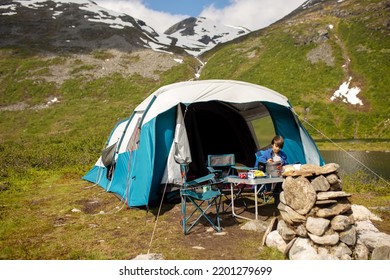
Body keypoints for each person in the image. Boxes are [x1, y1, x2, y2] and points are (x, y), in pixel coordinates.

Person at [254, 135, 288, 205]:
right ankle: (275, 195)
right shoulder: (267, 152)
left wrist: (283, 163)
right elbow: (260, 159)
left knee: (283, 181)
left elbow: (286, 163)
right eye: (276, 146)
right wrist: (267, 161)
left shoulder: (282, 155)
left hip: (279, 174)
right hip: (269, 173)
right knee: (278, 182)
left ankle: (279, 199)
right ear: (272, 145)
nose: (277, 148)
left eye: (279, 147)